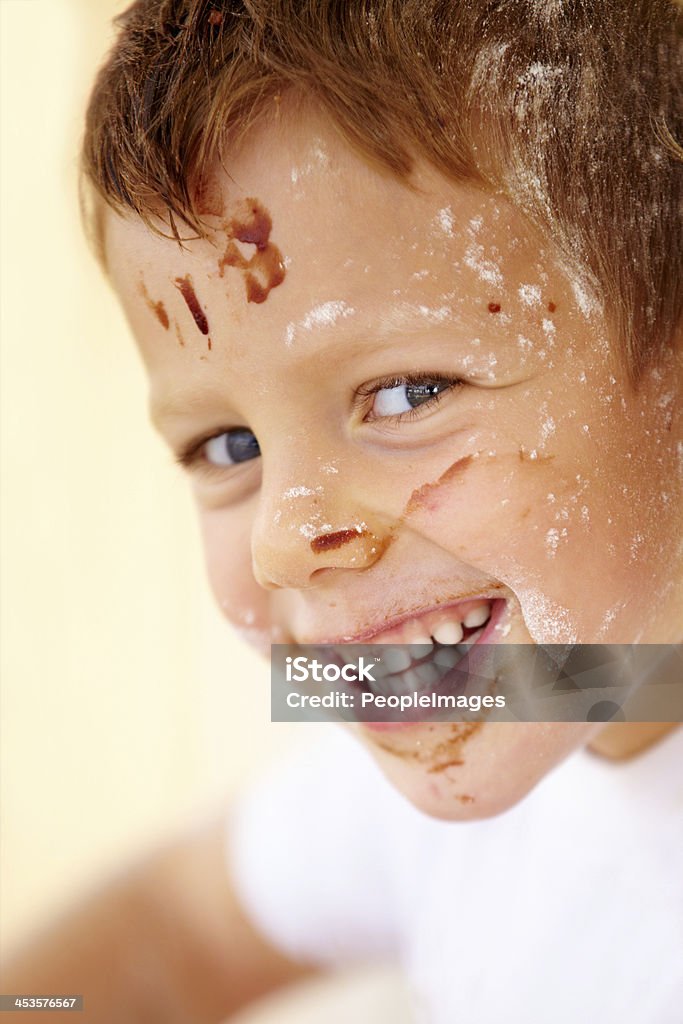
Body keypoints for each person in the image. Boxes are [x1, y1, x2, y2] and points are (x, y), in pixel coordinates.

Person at [3, 1, 682, 1020]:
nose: (285, 539)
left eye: (407, 393)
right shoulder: (537, 706)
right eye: (227, 448)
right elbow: (179, 923)